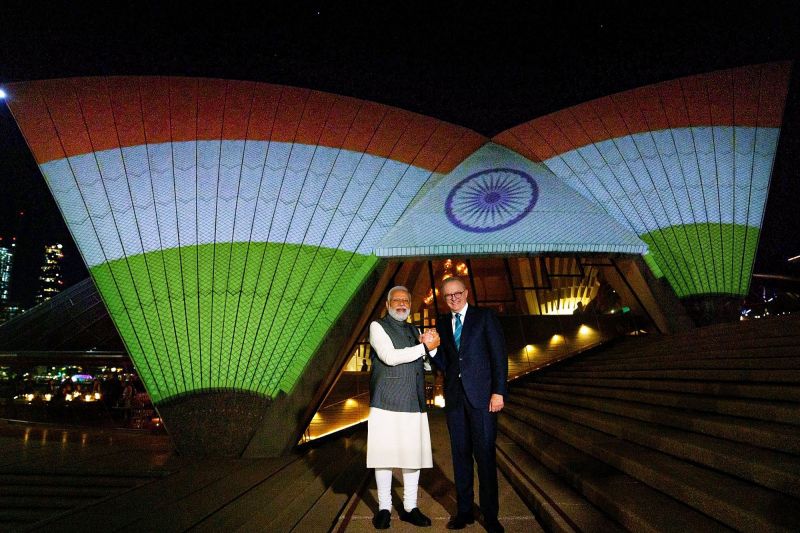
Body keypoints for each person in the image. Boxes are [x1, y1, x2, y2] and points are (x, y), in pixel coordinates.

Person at [431, 277, 507, 533]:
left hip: (482, 399)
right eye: (448, 295)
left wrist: (498, 392)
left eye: (457, 293)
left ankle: (491, 515)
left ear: (466, 292)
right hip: (455, 400)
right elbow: (445, 362)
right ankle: (464, 511)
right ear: (444, 298)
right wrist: (431, 351)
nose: (453, 298)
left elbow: (499, 356)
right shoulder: (442, 322)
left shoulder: (484, 317)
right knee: (460, 456)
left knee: (484, 456)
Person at [367, 285, 440, 529]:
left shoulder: (414, 328)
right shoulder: (377, 326)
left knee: (412, 457)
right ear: (387, 305)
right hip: (386, 400)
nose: (401, 303)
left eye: (406, 300)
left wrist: (432, 347)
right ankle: (384, 508)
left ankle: (410, 507)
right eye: (396, 300)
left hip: (413, 400)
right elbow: (389, 356)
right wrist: (424, 348)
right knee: (384, 457)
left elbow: (425, 362)